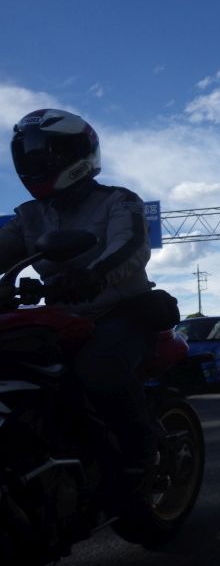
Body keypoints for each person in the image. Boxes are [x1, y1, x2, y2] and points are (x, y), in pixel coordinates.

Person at [0, 109, 159, 500]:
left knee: (97, 367)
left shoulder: (118, 201)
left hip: (120, 311)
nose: (35, 162)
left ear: (77, 154)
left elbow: (131, 246)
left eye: (45, 153)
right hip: (62, 318)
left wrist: (92, 275)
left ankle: (140, 455)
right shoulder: (29, 217)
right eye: (28, 154)